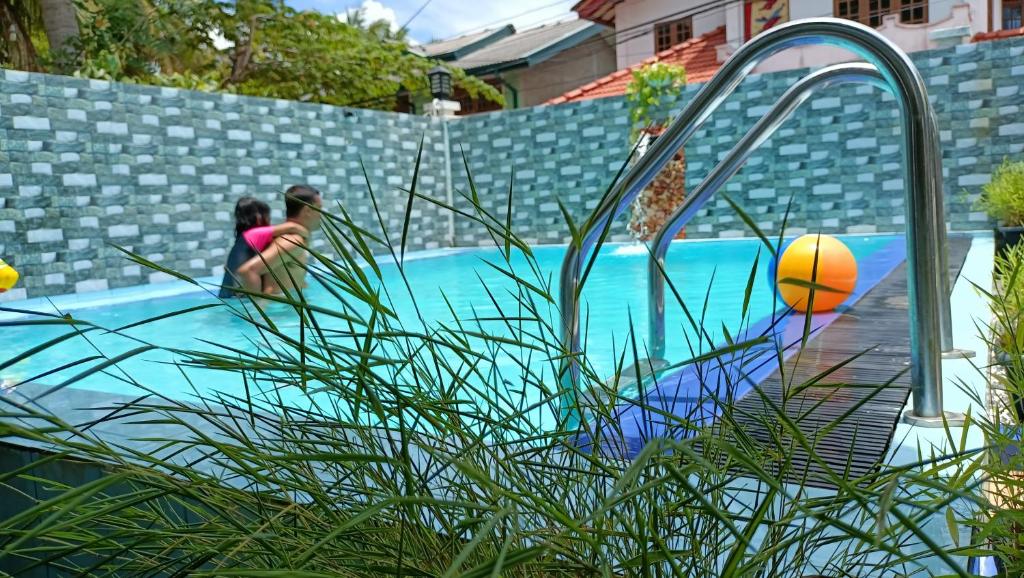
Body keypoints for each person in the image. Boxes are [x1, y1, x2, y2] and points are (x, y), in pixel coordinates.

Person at [235, 185, 322, 298]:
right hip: (279, 312)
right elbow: (248, 271)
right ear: (308, 211)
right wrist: (256, 312)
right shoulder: (293, 241)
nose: (322, 215)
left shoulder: (294, 238)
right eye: (319, 208)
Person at [218, 196, 308, 298]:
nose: (269, 220)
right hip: (237, 296)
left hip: (227, 294)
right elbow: (292, 227)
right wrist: (306, 236)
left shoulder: (242, 238)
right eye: (268, 216)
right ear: (259, 217)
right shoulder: (255, 234)